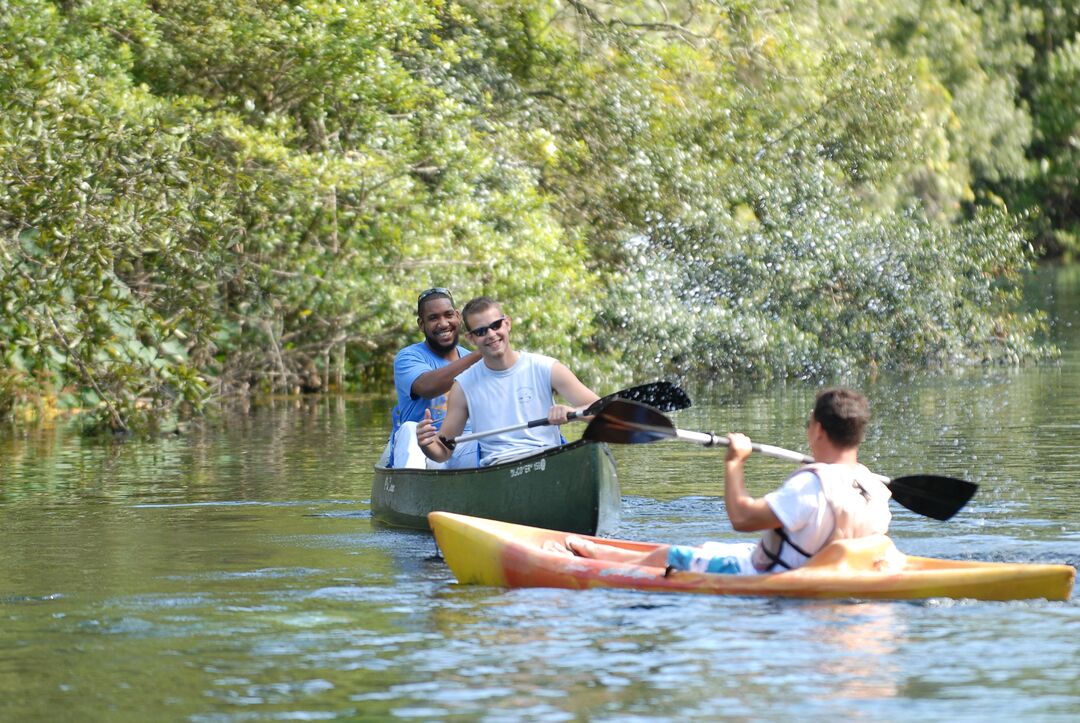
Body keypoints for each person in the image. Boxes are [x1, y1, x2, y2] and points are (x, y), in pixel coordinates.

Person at [556, 387, 892, 574]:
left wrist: (734, 463)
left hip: (779, 576)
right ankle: (604, 552)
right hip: (833, 568)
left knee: (673, 554)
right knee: (705, 549)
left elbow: (742, 518)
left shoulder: (811, 485)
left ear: (818, 429)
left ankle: (597, 557)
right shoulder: (877, 487)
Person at [416, 296, 600, 467]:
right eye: (481, 331)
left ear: (507, 324)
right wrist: (426, 444)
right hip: (499, 468)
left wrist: (573, 412)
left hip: (548, 460)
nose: (491, 334)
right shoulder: (463, 386)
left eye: (496, 325)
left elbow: (604, 413)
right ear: (471, 338)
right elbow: (444, 451)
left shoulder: (548, 368)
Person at [383, 287, 482, 469]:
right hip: (425, 448)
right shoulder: (408, 357)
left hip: (464, 446)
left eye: (448, 315)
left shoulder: (475, 360)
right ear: (421, 324)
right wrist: (481, 353)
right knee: (410, 429)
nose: (443, 323)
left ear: (458, 317)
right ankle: (410, 492)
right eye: (433, 318)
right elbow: (428, 387)